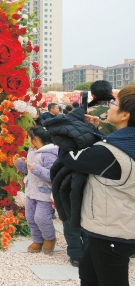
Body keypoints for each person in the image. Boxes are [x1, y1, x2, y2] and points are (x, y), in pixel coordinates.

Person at [55, 86, 135, 284]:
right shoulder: (126, 143)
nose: (110, 105)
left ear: (125, 114)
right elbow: (105, 152)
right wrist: (95, 131)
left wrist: (73, 129)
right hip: (118, 225)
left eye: (114, 103)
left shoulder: (110, 154)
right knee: (88, 273)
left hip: (112, 231)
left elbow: (68, 156)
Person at [13, 126, 58, 254]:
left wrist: (36, 169)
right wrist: (19, 164)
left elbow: (52, 175)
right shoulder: (32, 151)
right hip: (31, 191)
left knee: (41, 217)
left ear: (35, 139)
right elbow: (29, 170)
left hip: (44, 193)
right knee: (30, 217)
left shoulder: (49, 154)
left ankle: (49, 238)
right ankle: (37, 239)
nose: (27, 141)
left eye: (28, 138)